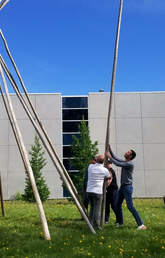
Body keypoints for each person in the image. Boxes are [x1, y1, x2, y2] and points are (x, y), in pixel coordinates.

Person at [105, 146, 146, 230]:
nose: (126, 152)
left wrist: (109, 157)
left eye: (128, 152)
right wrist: (110, 150)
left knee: (130, 206)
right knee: (117, 205)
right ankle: (120, 223)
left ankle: (141, 225)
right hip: (123, 187)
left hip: (127, 187)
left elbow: (117, 163)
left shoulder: (130, 164)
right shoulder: (126, 162)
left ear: (130, 156)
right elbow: (116, 159)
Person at [86, 155, 111, 230]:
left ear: (96, 160)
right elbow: (108, 176)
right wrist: (107, 168)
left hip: (89, 190)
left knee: (92, 207)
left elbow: (92, 164)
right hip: (97, 191)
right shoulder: (104, 170)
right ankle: (95, 225)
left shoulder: (90, 167)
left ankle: (90, 223)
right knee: (97, 208)